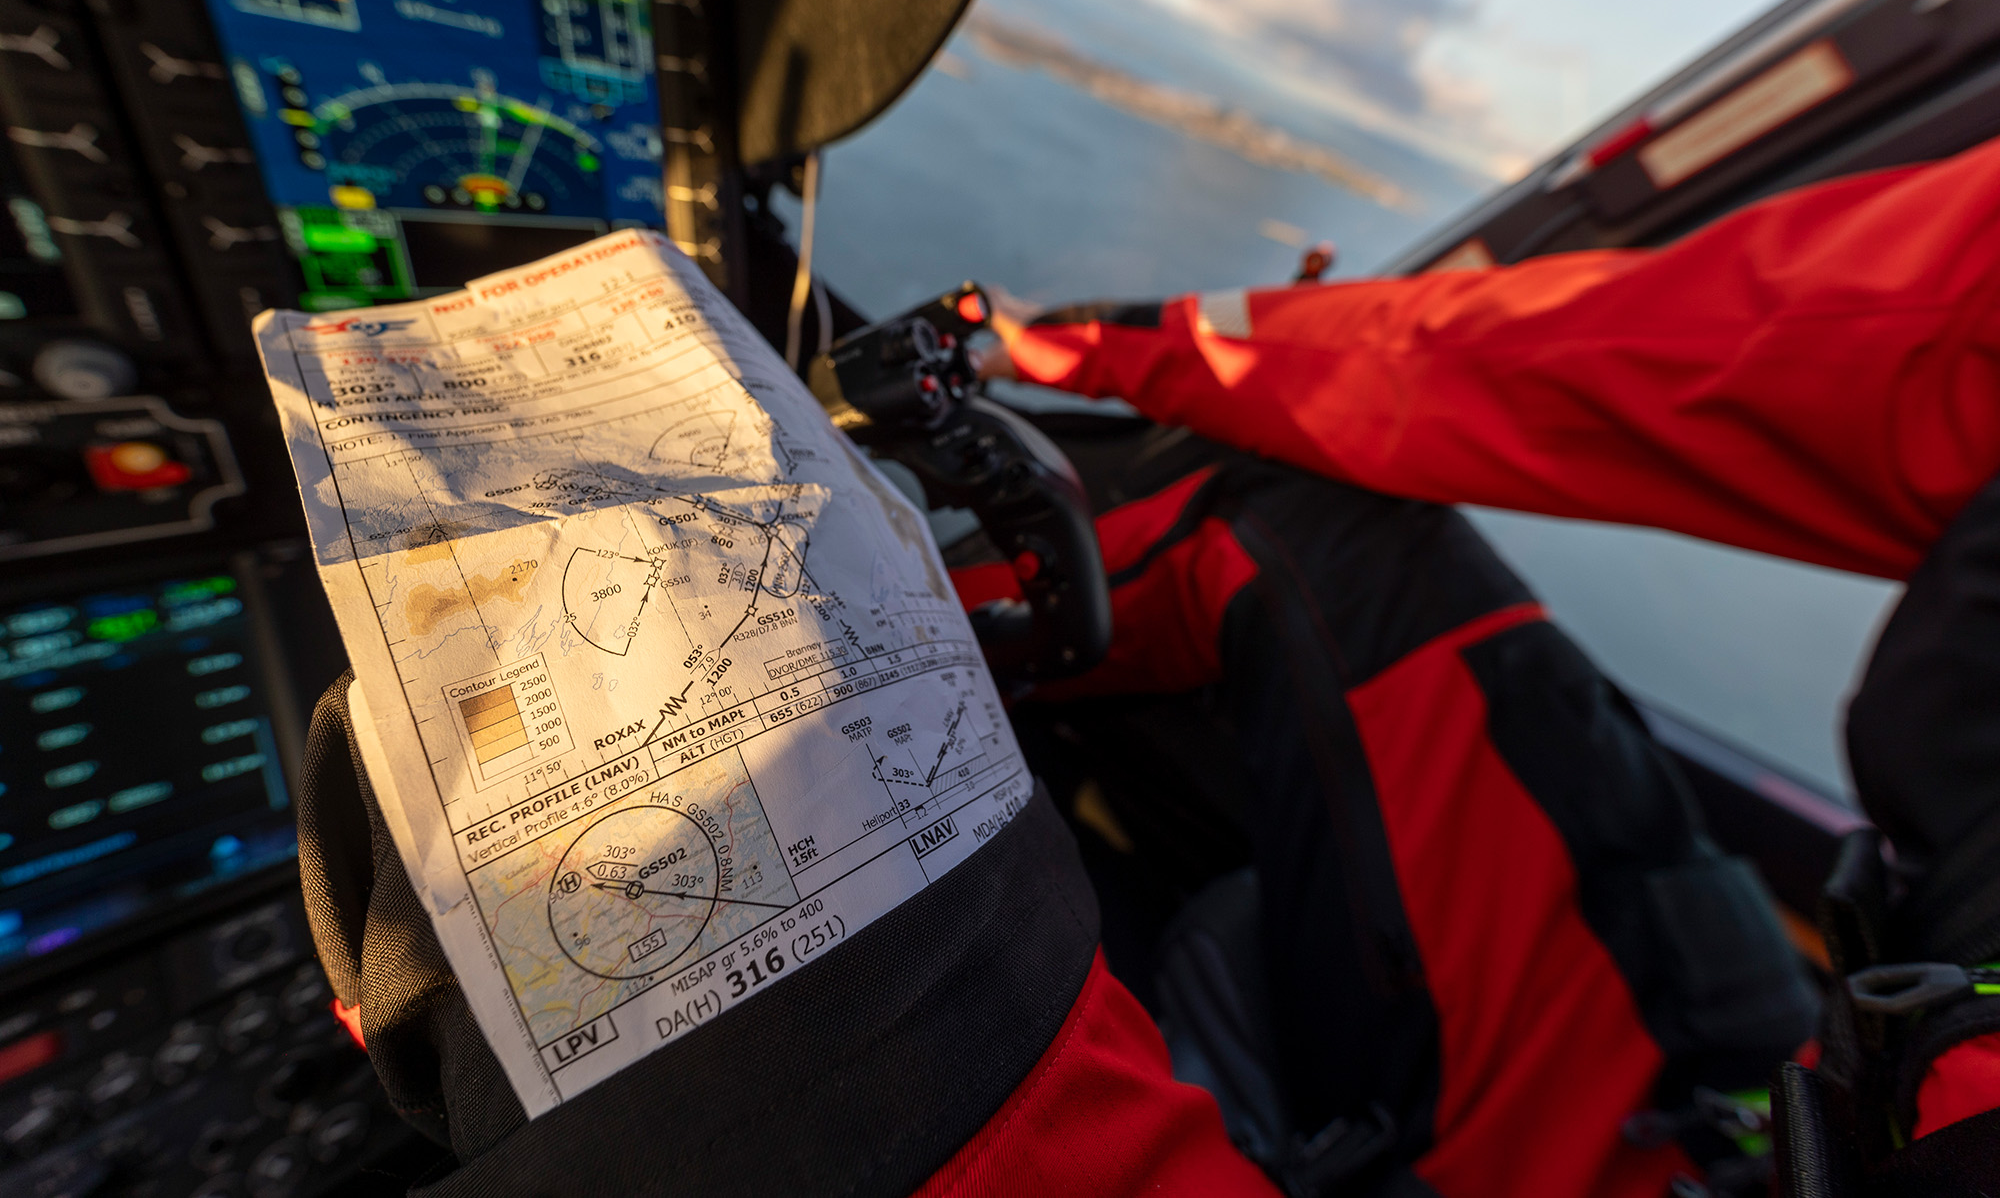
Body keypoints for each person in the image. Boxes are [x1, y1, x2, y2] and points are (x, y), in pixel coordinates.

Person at [296, 171, 1845, 1193]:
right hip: (1772, 1130)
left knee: (783, 1084)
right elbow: (1769, 333)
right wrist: (1101, 366)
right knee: (1318, 527)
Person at [973, 128, 2000, 1185]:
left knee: (868, 1038)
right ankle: (884, 619)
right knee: (1316, 533)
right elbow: (1625, 348)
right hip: (1785, 1096)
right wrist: (1088, 348)